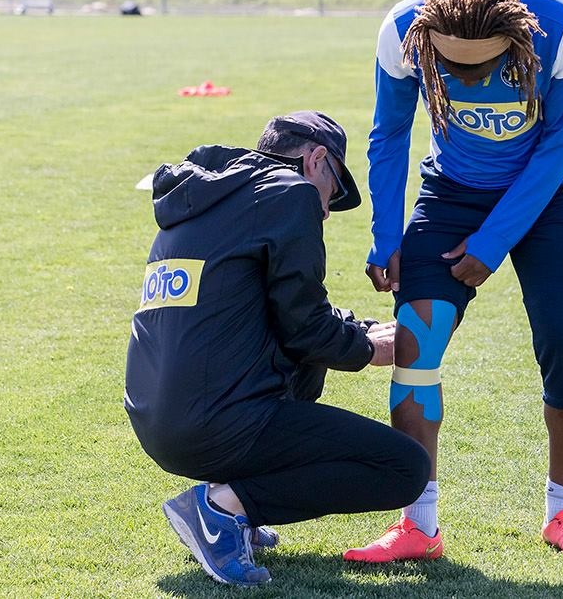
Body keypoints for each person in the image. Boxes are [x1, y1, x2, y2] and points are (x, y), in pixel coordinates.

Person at [345, 0, 563, 564]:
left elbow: (558, 147)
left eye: (482, 70)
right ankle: (418, 524)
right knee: (416, 345)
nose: (466, 80)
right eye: (453, 70)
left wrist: (491, 245)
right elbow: (389, 133)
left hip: (547, 200)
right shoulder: (403, 28)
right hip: (449, 197)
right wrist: (386, 235)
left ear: (515, 42)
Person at [124, 111, 431, 587]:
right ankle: (222, 509)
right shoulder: (292, 193)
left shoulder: (206, 195)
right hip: (218, 422)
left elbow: (279, 315)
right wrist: (368, 349)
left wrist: (358, 329)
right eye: (332, 192)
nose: (326, 210)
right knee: (404, 468)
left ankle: (232, 503)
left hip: (156, 423)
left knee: (307, 365)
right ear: (316, 160)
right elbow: (305, 327)